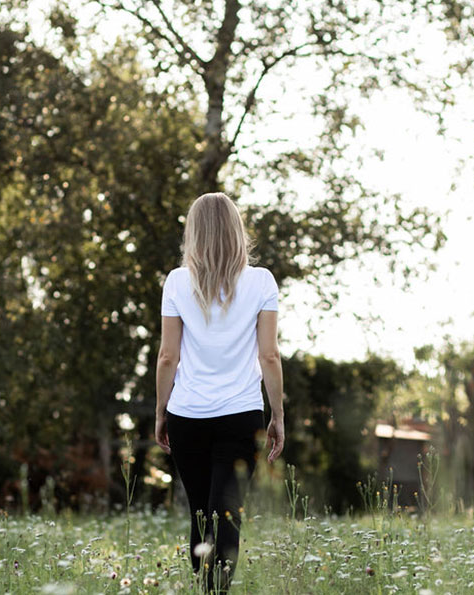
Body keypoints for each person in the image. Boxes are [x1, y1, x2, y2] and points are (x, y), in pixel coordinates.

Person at [154, 192, 285, 594]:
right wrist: (277, 415)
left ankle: (205, 590)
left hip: (186, 416)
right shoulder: (261, 282)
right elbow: (269, 356)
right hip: (241, 416)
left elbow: (167, 357)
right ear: (236, 230)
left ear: (193, 233)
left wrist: (161, 412)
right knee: (226, 515)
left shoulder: (177, 282)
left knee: (199, 513)